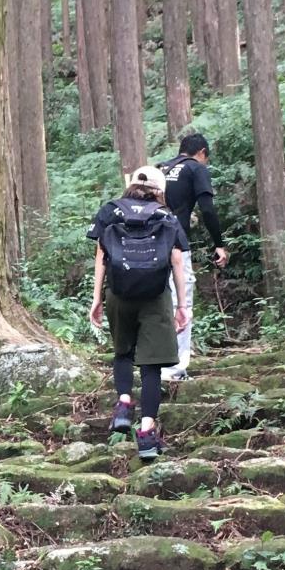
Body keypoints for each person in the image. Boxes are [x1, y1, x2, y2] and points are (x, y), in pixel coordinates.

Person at [87, 168, 191, 461]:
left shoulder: (110, 211)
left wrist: (96, 297)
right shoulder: (166, 217)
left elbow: (101, 255)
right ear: (160, 190)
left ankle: (123, 403)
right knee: (151, 367)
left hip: (119, 293)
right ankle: (146, 434)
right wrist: (182, 306)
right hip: (155, 297)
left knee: (123, 352)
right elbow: (177, 260)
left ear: (130, 185)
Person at [156, 131, 228, 383]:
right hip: (175, 243)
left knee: (158, 303)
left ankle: (153, 364)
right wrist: (219, 244)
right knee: (181, 303)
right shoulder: (196, 168)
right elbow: (207, 208)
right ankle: (174, 369)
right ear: (202, 153)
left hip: (146, 245)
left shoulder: (160, 169)